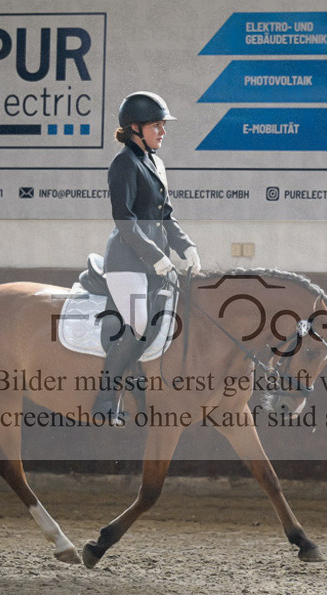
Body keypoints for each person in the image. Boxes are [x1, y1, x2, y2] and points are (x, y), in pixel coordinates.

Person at [92, 91, 201, 425]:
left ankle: (140, 384)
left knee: (164, 320)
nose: (163, 132)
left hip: (155, 262)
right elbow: (124, 220)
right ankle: (106, 400)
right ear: (135, 128)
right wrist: (157, 257)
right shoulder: (123, 163)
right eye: (157, 125)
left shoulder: (155, 162)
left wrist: (186, 247)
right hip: (126, 262)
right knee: (138, 323)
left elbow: (166, 215)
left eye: (163, 126)